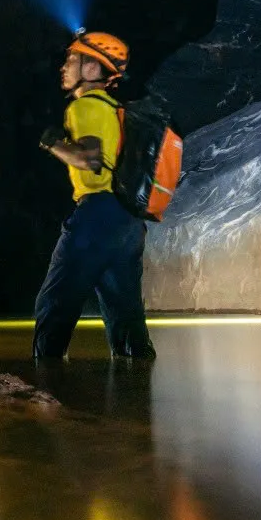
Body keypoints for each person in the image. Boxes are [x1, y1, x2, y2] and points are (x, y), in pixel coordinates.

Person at [32, 31, 154, 362]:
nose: (64, 66)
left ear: (91, 69)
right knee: (125, 313)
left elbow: (90, 159)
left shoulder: (86, 105)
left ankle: (43, 387)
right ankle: (137, 391)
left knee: (54, 302)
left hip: (97, 213)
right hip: (129, 219)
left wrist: (51, 143)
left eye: (72, 59)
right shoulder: (117, 110)